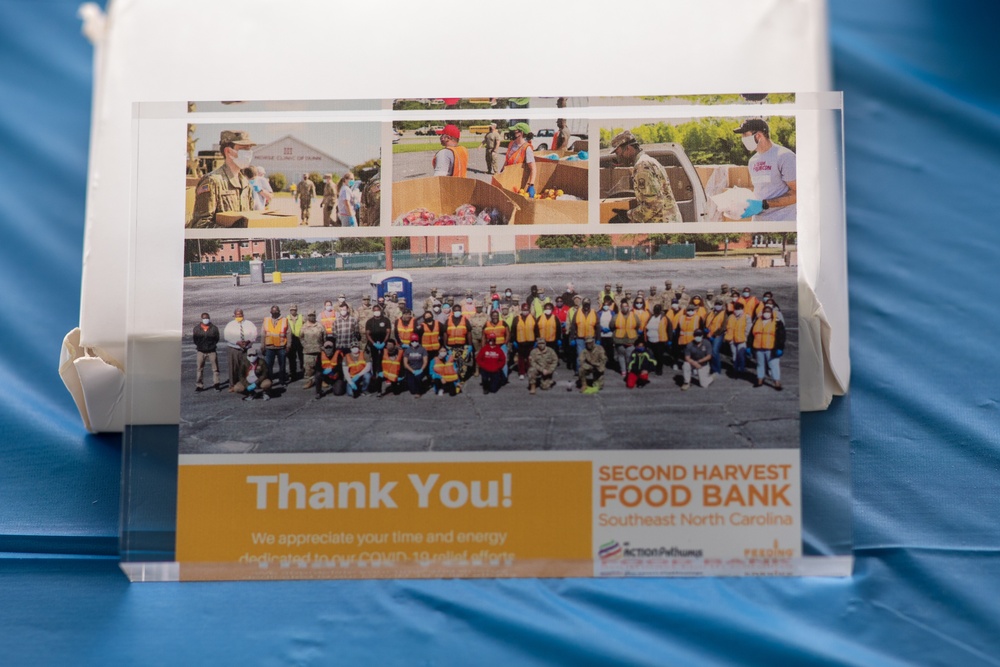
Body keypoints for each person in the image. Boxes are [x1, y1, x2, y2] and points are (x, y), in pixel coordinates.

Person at [608, 130, 682, 223]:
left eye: (618, 153)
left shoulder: (642, 166)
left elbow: (654, 205)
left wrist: (628, 215)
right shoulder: (648, 161)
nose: (618, 157)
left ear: (628, 148)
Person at [187, 130, 256, 228]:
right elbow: (199, 224)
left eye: (249, 149)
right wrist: (229, 233)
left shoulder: (245, 183)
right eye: (243, 149)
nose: (248, 153)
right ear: (228, 151)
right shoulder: (212, 181)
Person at [734, 118, 797, 221]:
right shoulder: (753, 161)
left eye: (745, 135)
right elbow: (761, 190)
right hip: (759, 224)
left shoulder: (784, 156)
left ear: (758, 136)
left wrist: (764, 204)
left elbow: (798, 193)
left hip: (782, 223)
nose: (742, 139)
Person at [751, 306, 785, 390]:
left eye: (768, 311)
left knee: (774, 365)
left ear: (772, 313)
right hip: (759, 347)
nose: (766, 313)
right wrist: (749, 346)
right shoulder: (757, 321)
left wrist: (780, 347)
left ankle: (777, 382)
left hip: (771, 348)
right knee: (760, 364)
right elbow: (751, 336)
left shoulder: (777, 322)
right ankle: (760, 380)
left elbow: (781, 336)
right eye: (765, 311)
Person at [223, 308, 257, 391]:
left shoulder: (249, 324)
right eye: (237, 315)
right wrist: (236, 342)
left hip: (246, 348)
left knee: (246, 366)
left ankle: (246, 384)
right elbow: (227, 336)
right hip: (234, 348)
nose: (239, 316)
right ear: (234, 315)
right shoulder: (230, 325)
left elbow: (254, 333)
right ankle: (232, 385)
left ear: (243, 315)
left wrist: (249, 340)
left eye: (240, 315)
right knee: (233, 367)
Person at [502, 122, 538, 198]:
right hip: (507, 176)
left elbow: (533, 168)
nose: (511, 132)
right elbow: (508, 159)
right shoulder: (511, 143)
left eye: (514, 130)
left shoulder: (527, 148)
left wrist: (531, 184)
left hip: (516, 180)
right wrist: (502, 170)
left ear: (520, 133)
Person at [365, 303, 393, 387]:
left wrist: (384, 343)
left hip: (383, 343)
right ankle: (374, 376)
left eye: (378, 310)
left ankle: (387, 376)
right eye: (375, 310)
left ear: (381, 311)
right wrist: (373, 343)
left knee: (385, 360)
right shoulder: (369, 321)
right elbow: (367, 334)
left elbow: (388, 332)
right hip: (373, 344)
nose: (376, 312)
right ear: (373, 311)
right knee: (374, 359)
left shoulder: (386, 320)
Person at [262, 305, 290, 386]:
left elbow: (289, 333)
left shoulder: (284, 320)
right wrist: (262, 346)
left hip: (281, 347)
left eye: (276, 311)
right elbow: (263, 334)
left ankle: (282, 381)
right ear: (270, 312)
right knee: (268, 366)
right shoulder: (266, 320)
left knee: (282, 365)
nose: (274, 312)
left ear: (279, 311)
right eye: (273, 311)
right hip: (269, 347)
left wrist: (288, 345)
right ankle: (269, 381)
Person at [192, 312, 221, 391]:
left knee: (215, 368)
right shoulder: (197, 328)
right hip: (200, 351)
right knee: (199, 369)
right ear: (201, 319)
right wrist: (200, 346)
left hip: (212, 351)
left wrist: (211, 346)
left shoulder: (214, 328)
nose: (206, 319)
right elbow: (195, 339)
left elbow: (216, 338)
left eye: (207, 318)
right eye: (204, 318)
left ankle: (216, 384)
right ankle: (199, 385)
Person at [300, 309, 327, 390]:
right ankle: (310, 381)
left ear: (315, 316)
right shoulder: (304, 326)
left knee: (321, 366)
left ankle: (322, 380)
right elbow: (301, 337)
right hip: (308, 351)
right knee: (308, 368)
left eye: (313, 315)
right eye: (310, 315)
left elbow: (324, 337)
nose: (311, 317)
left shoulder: (320, 325)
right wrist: (305, 346)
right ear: (307, 316)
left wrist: (323, 346)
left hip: (319, 350)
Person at [612, 299, 640, 376]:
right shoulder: (616, 316)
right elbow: (611, 326)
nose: (625, 308)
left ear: (628, 307)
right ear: (620, 307)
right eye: (623, 306)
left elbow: (638, 325)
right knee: (621, 356)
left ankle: (629, 369)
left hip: (631, 340)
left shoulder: (634, 316)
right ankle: (623, 371)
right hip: (619, 340)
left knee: (629, 355)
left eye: (626, 306)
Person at [725, 302, 751, 377]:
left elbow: (748, 328)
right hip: (732, 339)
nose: (737, 310)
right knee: (734, 355)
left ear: (742, 309)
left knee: (741, 355)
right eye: (736, 309)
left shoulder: (747, 317)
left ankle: (742, 369)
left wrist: (745, 336)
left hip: (742, 339)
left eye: (739, 309)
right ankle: (735, 368)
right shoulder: (731, 317)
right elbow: (727, 326)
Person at [512, 304, 537, 379]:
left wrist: (536, 340)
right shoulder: (516, 318)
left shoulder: (533, 318)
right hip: (520, 342)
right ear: (521, 310)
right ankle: (521, 372)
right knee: (521, 358)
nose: (525, 311)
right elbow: (513, 330)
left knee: (530, 358)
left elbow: (536, 330)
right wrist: (513, 341)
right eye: (524, 310)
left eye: (526, 310)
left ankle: (529, 371)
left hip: (531, 342)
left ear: (529, 310)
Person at [705, 300, 728, 375]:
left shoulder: (724, 314)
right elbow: (706, 322)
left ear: (722, 306)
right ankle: (710, 368)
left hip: (718, 335)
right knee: (709, 352)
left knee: (715, 351)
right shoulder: (710, 313)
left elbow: (724, 326)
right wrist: (705, 329)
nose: (718, 306)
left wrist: (715, 334)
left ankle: (716, 370)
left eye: (719, 304)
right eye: (717, 304)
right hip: (708, 334)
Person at [403, 334, 429, 398]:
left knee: (418, 378)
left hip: (420, 369)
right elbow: (405, 363)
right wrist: (412, 371)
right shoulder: (407, 350)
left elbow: (425, 361)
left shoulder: (422, 349)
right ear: (410, 342)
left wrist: (421, 370)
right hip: (411, 370)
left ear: (418, 341)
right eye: (412, 341)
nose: (414, 342)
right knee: (412, 390)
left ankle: (419, 392)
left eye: (416, 341)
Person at [645, 304, 668, 376]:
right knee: (650, 355)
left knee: (659, 356)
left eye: (658, 309)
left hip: (659, 340)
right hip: (650, 340)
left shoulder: (664, 318)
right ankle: (651, 367)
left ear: (661, 310)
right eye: (655, 309)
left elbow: (669, 328)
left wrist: (669, 339)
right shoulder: (651, 317)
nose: (656, 310)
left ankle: (659, 369)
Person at [283, 304, 304, 382]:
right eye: (291, 310)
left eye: (294, 310)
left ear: (296, 310)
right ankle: (293, 374)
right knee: (292, 359)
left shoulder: (301, 317)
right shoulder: (286, 318)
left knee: (302, 357)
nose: (293, 311)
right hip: (291, 340)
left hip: (300, 340)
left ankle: (304, 372)